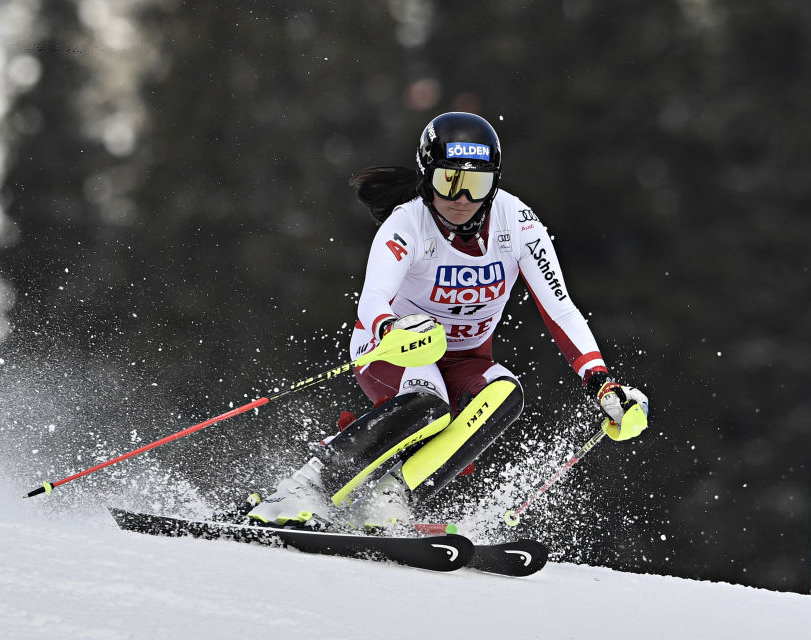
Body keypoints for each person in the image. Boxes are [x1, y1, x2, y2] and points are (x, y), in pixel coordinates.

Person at [246, 111, 649, 530]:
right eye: (448, 182)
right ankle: (300, 490)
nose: (462, 199)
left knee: (505, 392)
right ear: (426, 178)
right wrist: (390, 328)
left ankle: (389, 500)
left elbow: (560, 307)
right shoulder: (407, 223)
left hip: (464, 359)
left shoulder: (518, 223)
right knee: (431, 402)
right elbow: (373, 299)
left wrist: (601, 382)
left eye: (477, 185)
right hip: (394, 350)